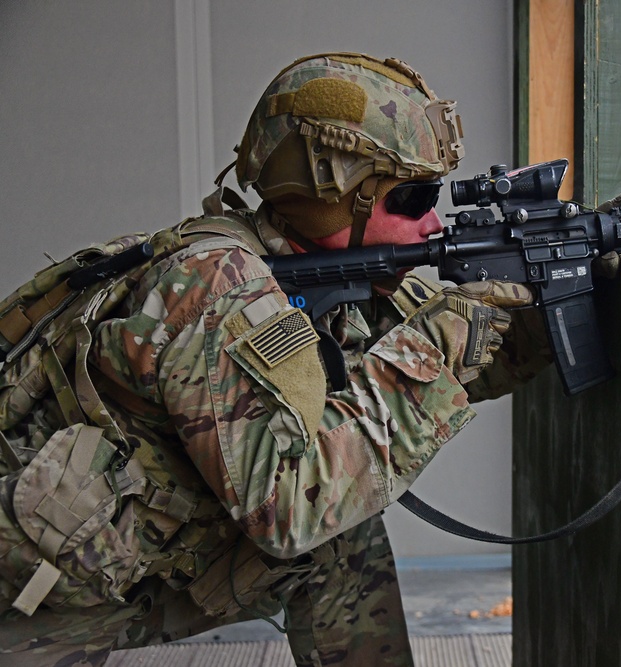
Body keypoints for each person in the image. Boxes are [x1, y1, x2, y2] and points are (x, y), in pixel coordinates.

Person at [0, 53, 548, 666]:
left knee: (343, 543)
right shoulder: (218, 287)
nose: (432, 221)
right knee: (321, 521)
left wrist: (562, 294)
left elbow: (473, 349)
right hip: (38, 604)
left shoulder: (328, 279)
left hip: (134, 564)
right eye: (414, 197)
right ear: (336, 195)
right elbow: (289, 509)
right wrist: (438, 344)